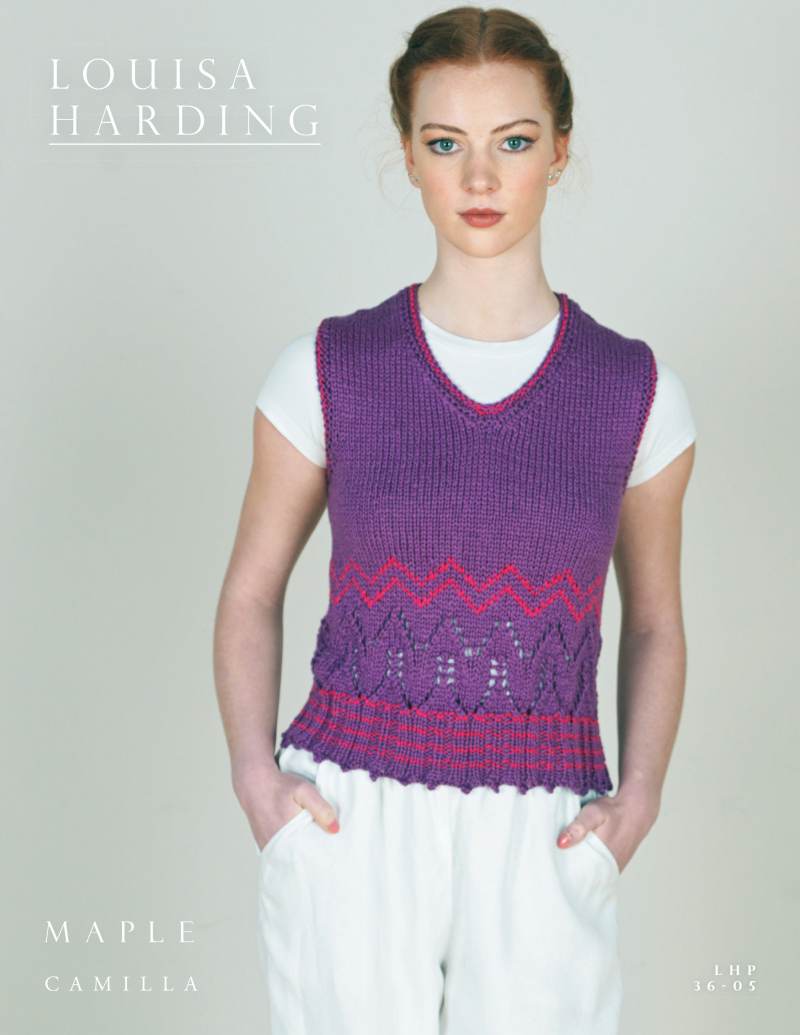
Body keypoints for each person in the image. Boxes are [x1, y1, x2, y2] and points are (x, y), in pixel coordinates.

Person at [213, 8, 696, 1035]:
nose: (479, 177)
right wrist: (257, 781)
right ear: (408, 156)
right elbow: (250, 590)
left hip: (545, 820)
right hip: (351, 815)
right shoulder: (327, 370)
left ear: (558, 151)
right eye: (445, 144)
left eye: (512, 141)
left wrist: (638, 800)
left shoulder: (634, 390)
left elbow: (655, 618)